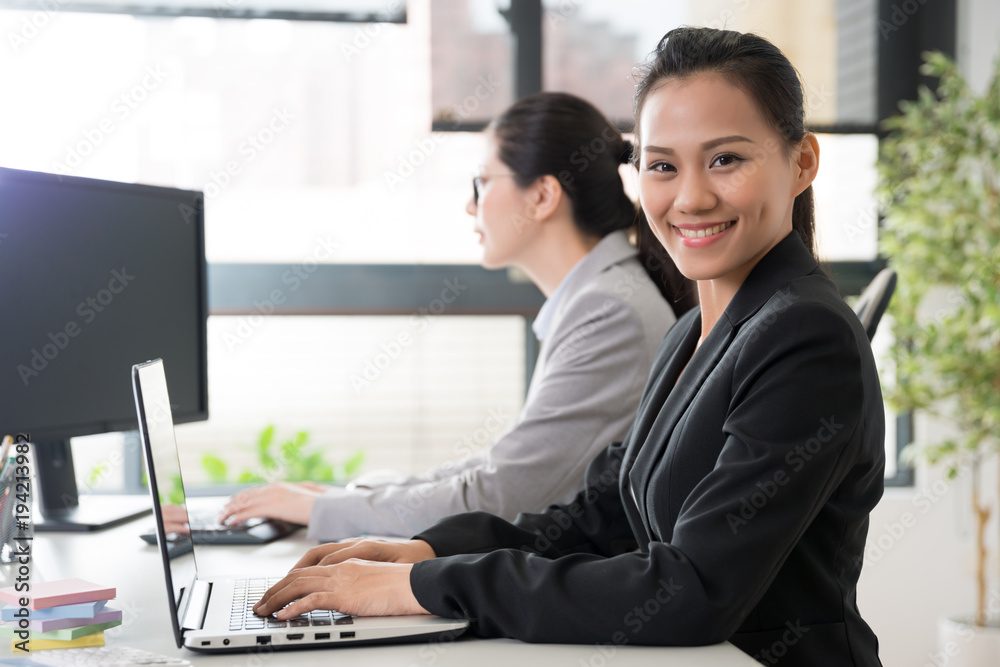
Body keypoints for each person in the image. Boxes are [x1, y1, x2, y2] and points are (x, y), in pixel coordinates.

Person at [252, 27, 885, 667]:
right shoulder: (692, 331)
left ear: (802, 162)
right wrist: (429, 552)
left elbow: (694, 588)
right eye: (663, 165)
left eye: (725, 159)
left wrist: (428, 588)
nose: (690, 197)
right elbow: (603, 513)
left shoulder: (805, 336)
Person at [219, 92, 694, 541]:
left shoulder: (608, 310)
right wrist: (351, 500)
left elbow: (501, 494)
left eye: (482, 182)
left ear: (542, 197)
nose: (471, 204)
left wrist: (325, 511)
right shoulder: (601, 296)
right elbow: (497, 467)